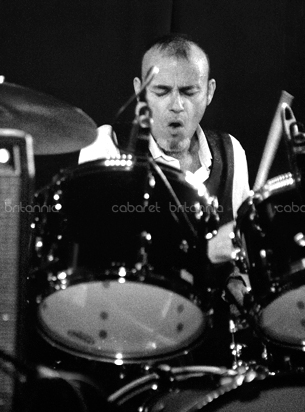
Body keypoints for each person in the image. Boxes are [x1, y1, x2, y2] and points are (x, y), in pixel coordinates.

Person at [79, 33, 252, 366]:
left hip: (209, 342)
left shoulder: (232, 152)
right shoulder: (106, 145)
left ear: (209, 92)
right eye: (161, 91)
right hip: (125, 332)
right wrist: (205, 252)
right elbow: (98, 251)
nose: (176, 105)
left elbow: (240, 252)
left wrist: (236, 278)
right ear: (140, 91)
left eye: (189, 92)